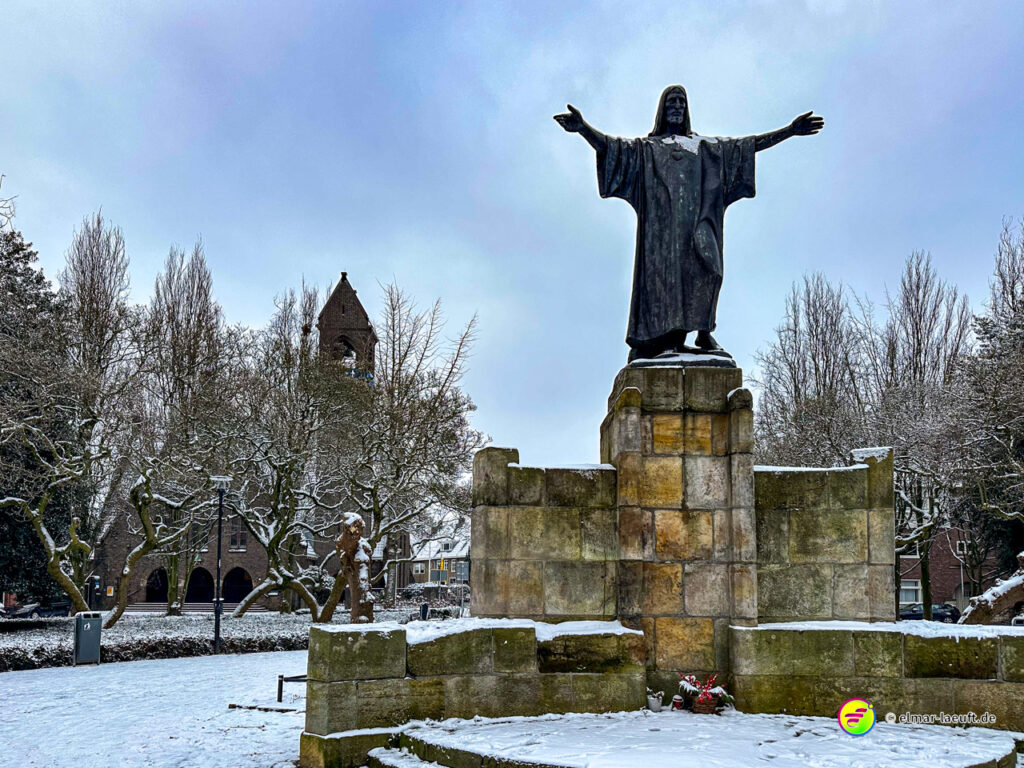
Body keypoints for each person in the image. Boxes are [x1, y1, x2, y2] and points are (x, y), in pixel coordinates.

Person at [555, 85, 823, 362]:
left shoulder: (705, 148)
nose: (676, 107)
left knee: (712, 270)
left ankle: (704, 331)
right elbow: (611, 147)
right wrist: (583, 128)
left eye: (681, 102)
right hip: (661, 236)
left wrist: (789, 131)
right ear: (662, 109)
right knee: (668, 280)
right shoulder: (647, 149)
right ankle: (670, 338)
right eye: (671, 102)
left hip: (699, 226)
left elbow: (747, 146)